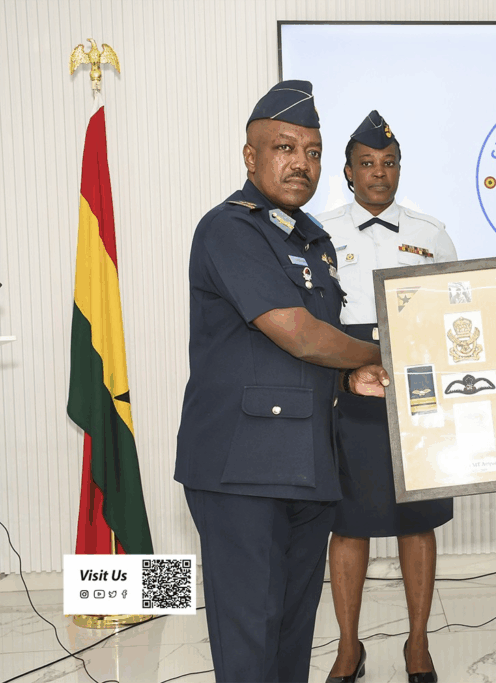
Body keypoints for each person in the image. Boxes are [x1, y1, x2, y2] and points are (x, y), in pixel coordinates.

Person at [174, 81, 389, 683]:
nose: (301, 162)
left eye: (313, 152)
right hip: (243, 469)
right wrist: (384, 352)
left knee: (293, 637)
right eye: (285, 147)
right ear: (251, 156)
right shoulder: (230, 229)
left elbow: (299, 359)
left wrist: (350, 377)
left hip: (308, 463)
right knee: (250, 639)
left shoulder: (310, 239)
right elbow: (298, 334)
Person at [318, 111, 457, 683]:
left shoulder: (431, 233)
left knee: (415, 519)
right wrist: (344, 371)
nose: (380, 173)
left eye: (389, 163)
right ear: (349, 172)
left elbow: (454, 308)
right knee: (347, 522)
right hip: (347, 383)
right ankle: (348, 646)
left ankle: (417, 644)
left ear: (400, 169)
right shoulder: (318, 230)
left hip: (414, 384)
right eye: (368, 163)